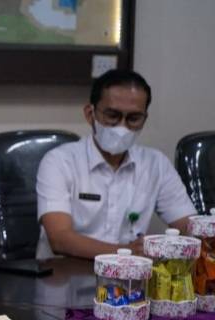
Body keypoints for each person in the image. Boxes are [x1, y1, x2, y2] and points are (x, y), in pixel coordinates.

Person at [36, 69, 196, 259]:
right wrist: (127, 252)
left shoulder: (156, 164)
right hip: (68, 272)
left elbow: (189, 228)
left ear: (144, 119)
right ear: (90, 114)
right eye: (112, 115)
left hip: (131, 274)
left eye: (133, 119)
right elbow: (60, 239)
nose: (122, 126)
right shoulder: (59, 161)